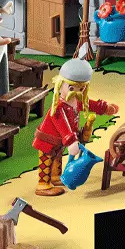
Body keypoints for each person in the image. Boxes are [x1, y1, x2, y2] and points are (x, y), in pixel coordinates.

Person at [33, 57, 93, 197]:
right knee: (47, 160)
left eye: (81, 88)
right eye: (71, 88)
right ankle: (43, 185)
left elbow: (89, 104)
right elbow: (63, 125)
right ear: (60, 85)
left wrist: (104, 107)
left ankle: (55, 177)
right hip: (47, 141)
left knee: (57, 158)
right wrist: (71, 141)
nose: (76, 92)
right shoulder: (58, 107)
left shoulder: (75, 102)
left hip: (58, 141)